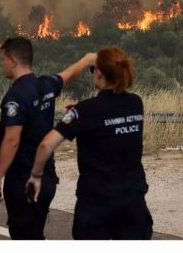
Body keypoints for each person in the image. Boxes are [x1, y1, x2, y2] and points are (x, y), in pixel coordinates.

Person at [26, 46, 153, 240]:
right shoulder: (136, 103)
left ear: (99, 73)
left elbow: (46, 145)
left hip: (96, 205)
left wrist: (35, 176)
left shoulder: (84, 111)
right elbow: (110, 118)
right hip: (132, 202)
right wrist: (81, 113)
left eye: (92, 69)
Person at [0, 37, 95, 240]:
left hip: (23, 179)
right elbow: (68, 74)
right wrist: (87, 59)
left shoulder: (16, 96)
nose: (1, 63)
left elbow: (12, 141)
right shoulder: (46, 85)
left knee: (24, 236)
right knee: (35, 232)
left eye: (3, 58)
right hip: (46, 178)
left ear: (12, 60)